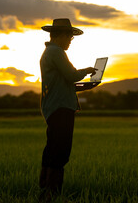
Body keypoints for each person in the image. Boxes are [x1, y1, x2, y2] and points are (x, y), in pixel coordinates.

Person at [38, 18, 97, 202]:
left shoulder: (51, 51)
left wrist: (85, 86)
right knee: (60, 152)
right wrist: (87, 70)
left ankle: (45, 192)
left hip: (55, 107)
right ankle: (51, 194)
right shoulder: (56, 52)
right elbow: (71, 75)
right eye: (70, 36)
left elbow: (65, 82)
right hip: (61, 108)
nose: (71, 40)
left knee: (52, 150)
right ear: (61, 35)